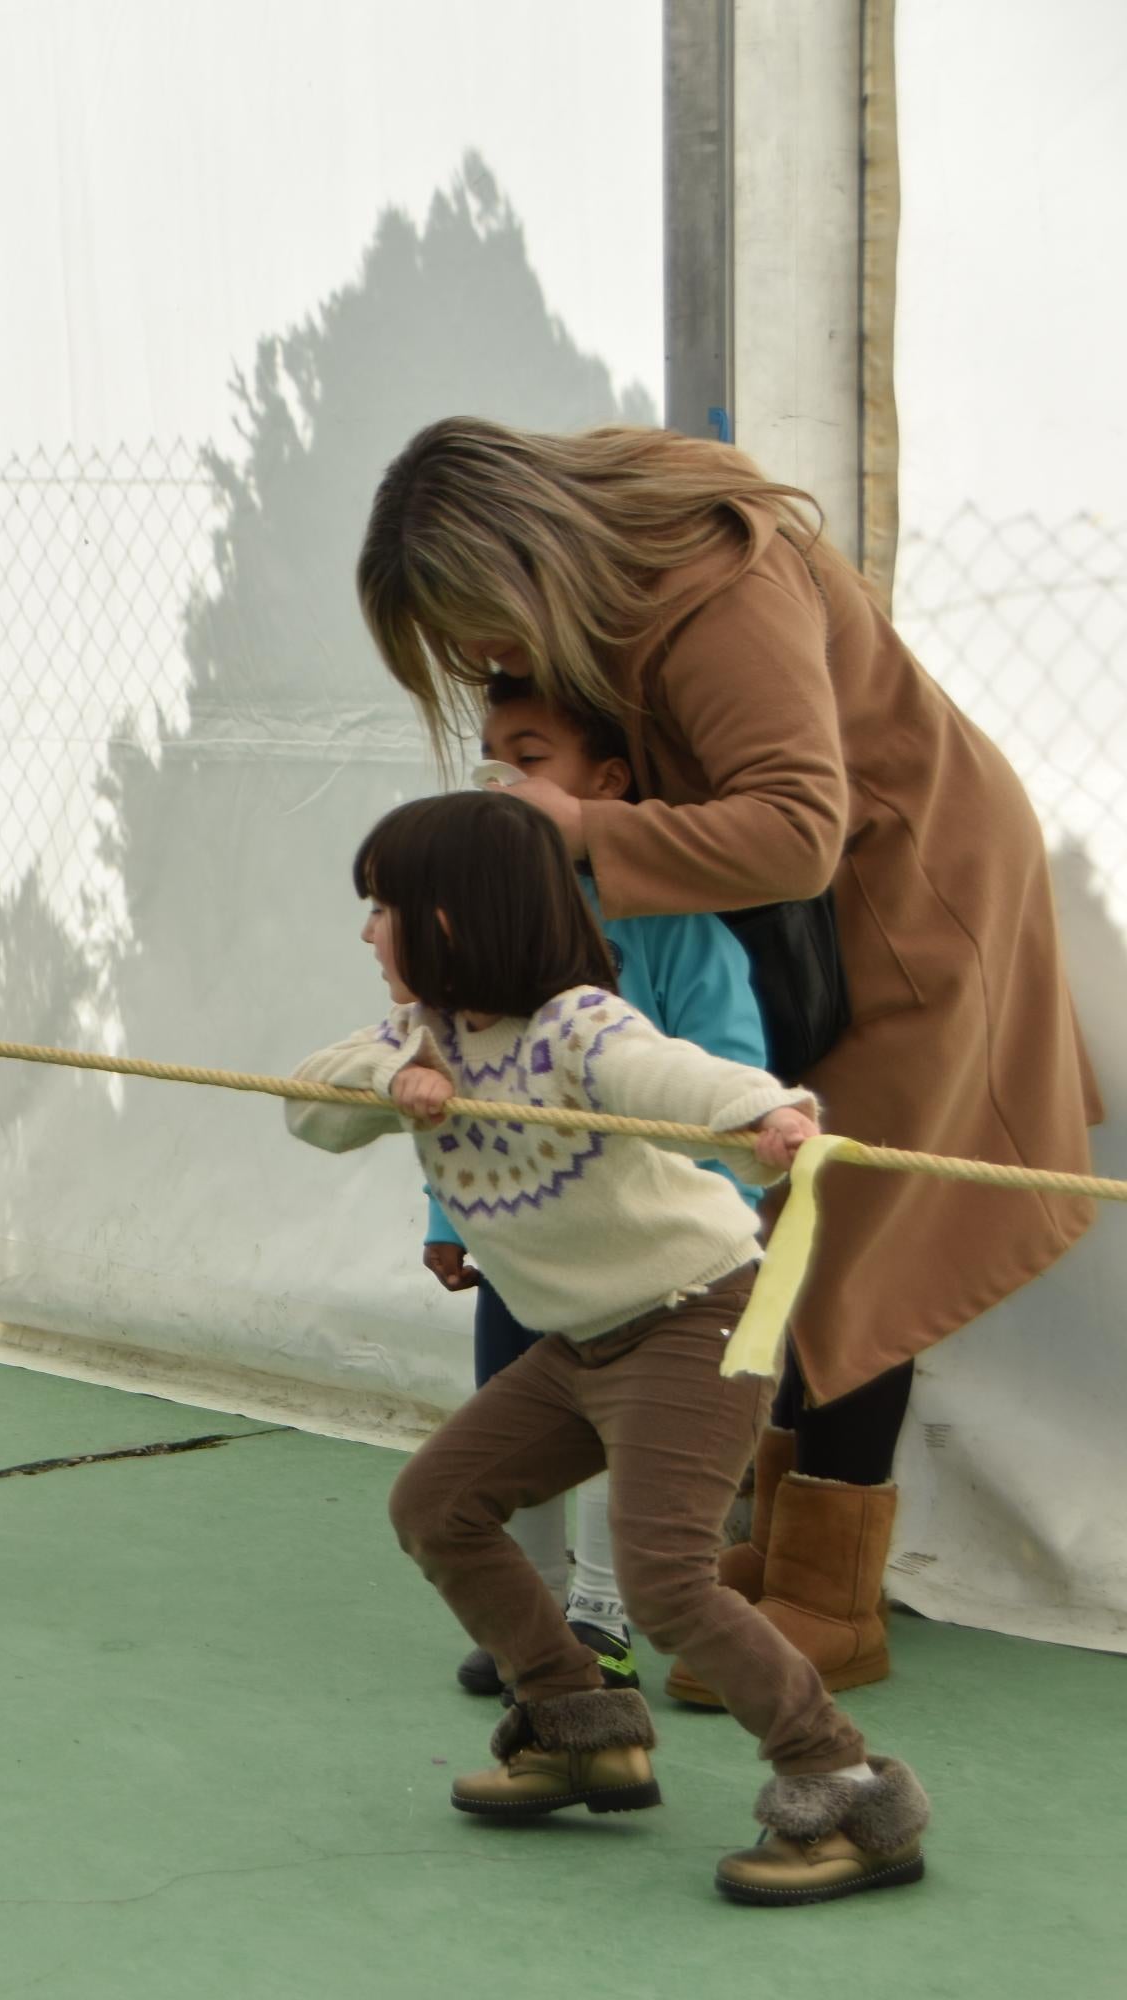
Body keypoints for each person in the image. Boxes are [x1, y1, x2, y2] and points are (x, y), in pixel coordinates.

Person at [358, 418, 1101, 1695]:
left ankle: (832, 1594)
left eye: (477, 621)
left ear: (523, 556)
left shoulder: (713, 586)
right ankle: (775, 1556)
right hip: (810, 927)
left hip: (913, 900)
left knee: (860, 1231)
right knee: (775, 1229)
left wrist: (573, 826)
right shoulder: (631, 579)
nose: (482, 659)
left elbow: (802, 831)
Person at [292, 790, 928, 1908]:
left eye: (380, 905)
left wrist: (767, 1112)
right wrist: (394, 1083)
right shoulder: (418, 1039)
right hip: (584, 1339)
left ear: (452, 918)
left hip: (697, 1314)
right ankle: (581, 1727)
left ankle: (849, 1788)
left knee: (665, 1578)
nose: (365, 932)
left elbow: (673, 1076)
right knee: (436, 1505)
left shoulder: (577, 1026)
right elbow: (309, 1101)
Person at [428, 676, 773, 1699]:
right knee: (506, 1419)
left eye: (528, 758)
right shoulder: (485, 934)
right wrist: (447, 1216)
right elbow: (450, 1094)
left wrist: (703, 1207)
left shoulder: (676, 928)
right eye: (487, 756)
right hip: (525, 1249)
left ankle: (602, 1616)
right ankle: (522, 1619)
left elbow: (724, 1069)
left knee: (628, 1439)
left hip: (651, 1269)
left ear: (607, 783)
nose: (500, 778)